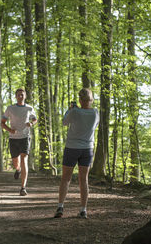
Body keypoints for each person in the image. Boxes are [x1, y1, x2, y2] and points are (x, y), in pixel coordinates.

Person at [54, 88, 99, 219]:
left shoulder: (74, 111)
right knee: (84, 180)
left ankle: (60, 207)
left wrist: (71, 108)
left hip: (72, 148)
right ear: (91, 100)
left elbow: (64, 122)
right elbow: (93, 126)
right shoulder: (95, 113)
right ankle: (83, 210)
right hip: (87, 149)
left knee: (66, 178)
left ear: (80, 99)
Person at [1, 88, 37, 196]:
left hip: (25, 137)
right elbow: (2, 123)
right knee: (16, 162)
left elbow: (35, 119)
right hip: (13, 138)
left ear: (25, 96)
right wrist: (10, 130)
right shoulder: (10, 108)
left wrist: (31, 123)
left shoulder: (29, 108)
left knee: (24, 159)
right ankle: (17, 170)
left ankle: (23, 187)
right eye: (18, 95)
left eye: (22, 95)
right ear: (15, 96)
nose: (20, 96)